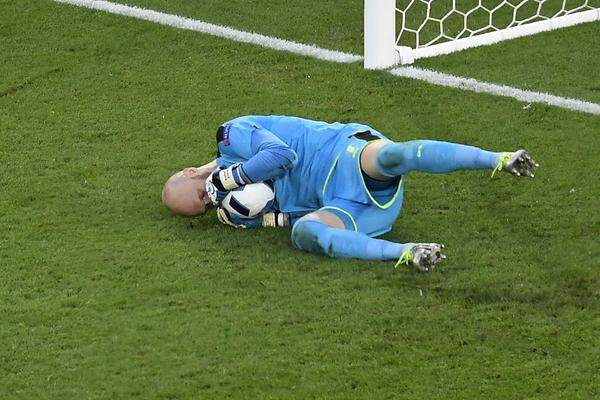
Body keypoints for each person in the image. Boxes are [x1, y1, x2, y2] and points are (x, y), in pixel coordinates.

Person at [162, 115, 538, 271]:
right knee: (304, 234)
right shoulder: (240, 203)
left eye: (200, 193)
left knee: (397, 154)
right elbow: (293, 210)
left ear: (193, 172)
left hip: (344, 156)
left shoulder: (231, 134)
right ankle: (409, 252)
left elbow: (282, 155)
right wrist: (266, 219)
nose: (209, 201)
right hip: (350, 210)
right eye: (202, 209)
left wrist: (228, 178)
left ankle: (498, 159)